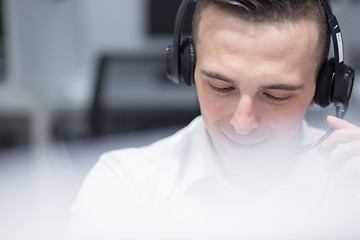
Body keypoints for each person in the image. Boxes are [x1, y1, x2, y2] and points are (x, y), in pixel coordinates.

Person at [66, 0, 360, 239]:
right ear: (188, 69)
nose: (242, 122)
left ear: (323, 90)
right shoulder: (124, 184)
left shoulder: (349, 188)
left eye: (276, 95)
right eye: (221, 88)